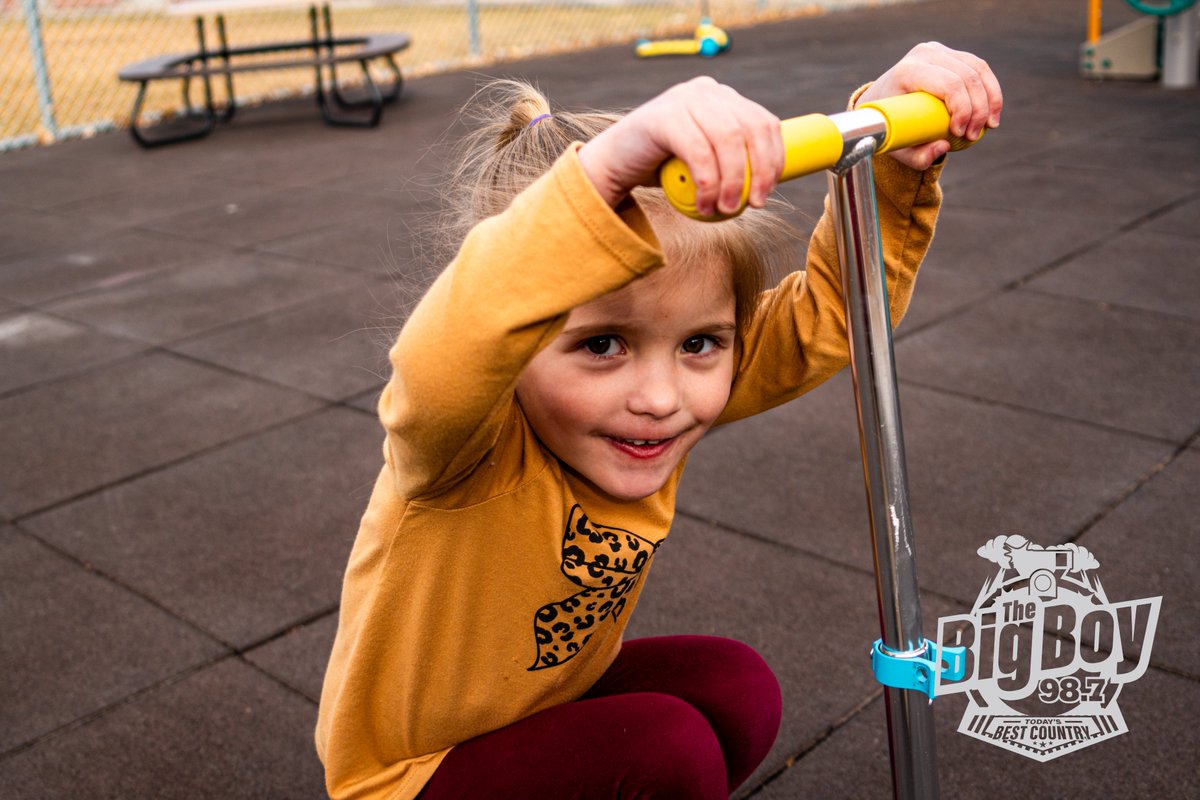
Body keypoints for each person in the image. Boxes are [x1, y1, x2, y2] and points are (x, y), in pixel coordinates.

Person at [316, 42, 1003, 800]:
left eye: (700, 343)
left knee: (737, 690)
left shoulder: (650, 404)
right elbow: (455, 341)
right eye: (602, 345)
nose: (660, 396)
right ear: (518, 344)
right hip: (410, 778)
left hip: (537, 713)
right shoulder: (459, 445)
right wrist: (604, 173)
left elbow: (834, 314)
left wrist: (890, 156)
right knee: (662, 753)